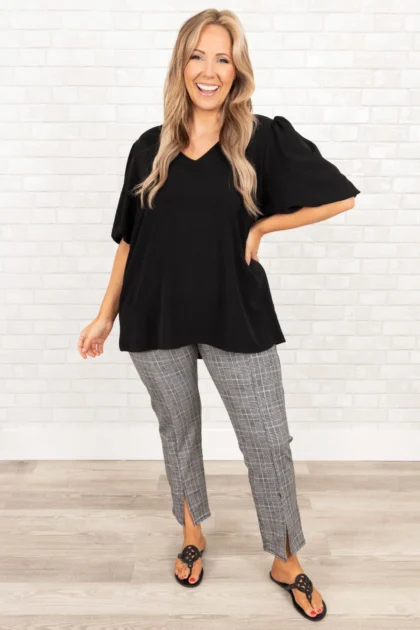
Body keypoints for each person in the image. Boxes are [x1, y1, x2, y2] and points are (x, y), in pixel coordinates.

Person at [78, 8, 360, 622]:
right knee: (178, 429)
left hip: (236, 312)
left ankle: (285, 557)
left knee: (268, 439)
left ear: (237, 70)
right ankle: (192, 533)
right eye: (197, 56)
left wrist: (262, 227)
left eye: (222, 58)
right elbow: (129, 241)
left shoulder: (262, 138)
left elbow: (341, 196)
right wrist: (104, 316)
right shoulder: (148, 148)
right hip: (154, 314)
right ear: (181, 65)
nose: (208, 70)